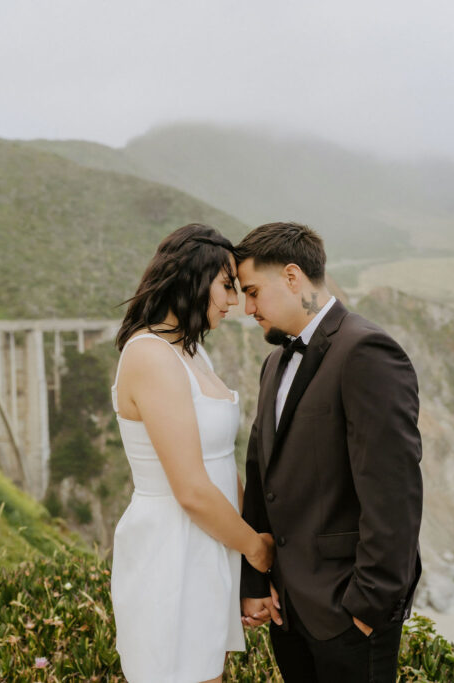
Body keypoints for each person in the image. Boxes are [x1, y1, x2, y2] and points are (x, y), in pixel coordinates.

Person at [235, 222, 423, 683]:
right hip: (291, 614)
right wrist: (257, 582)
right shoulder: (275, 361)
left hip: (349, 615)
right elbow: (262, 475)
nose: (247, 308)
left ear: (293, 277)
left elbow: (393, 490)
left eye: (254, 291)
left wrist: (366, 607)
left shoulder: (367, 351)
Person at [110, 223, 275, 683]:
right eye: (226, 286)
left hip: (208, 546)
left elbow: (219, 462)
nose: (233, 302)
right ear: (191, 278)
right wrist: (257, 552)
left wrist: (247, 566)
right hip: (172, 551)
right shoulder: (149, 356)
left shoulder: (192, 353)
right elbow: (191, 489)